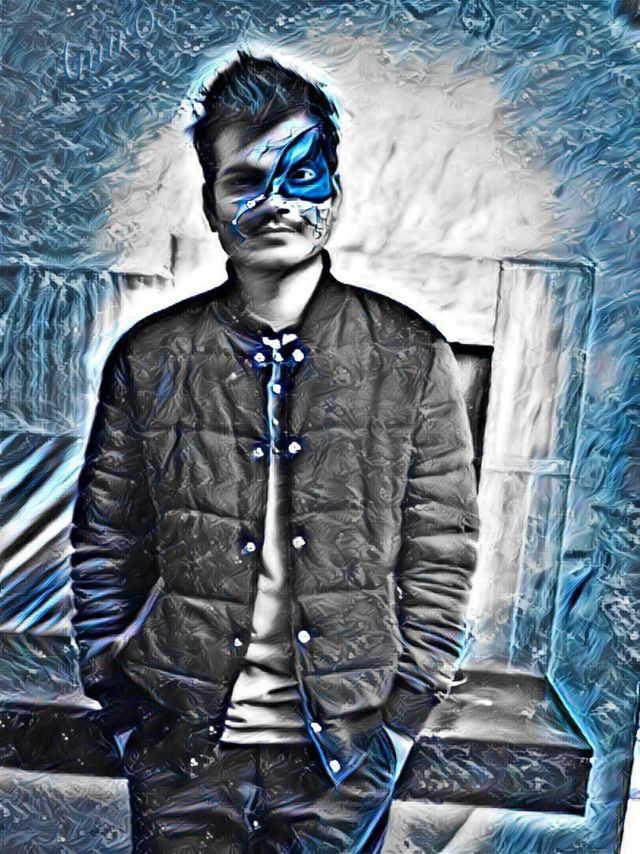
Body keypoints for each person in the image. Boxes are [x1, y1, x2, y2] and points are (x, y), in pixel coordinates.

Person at [69, 51, 479, 853]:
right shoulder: (150, 357)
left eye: (302, 175)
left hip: (343, 757)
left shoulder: (411, 354)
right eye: (246, 180)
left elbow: (442, 548)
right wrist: (119, 700)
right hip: (180, 750)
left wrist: (401, 718)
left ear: (335, 192)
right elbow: (106, 542)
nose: (276, 201)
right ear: (211, 202)